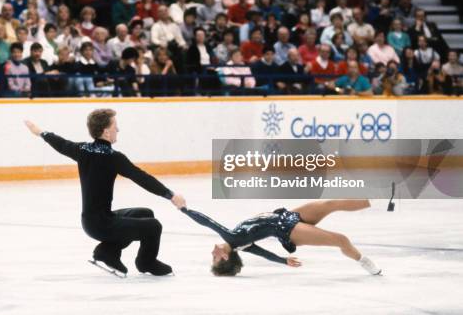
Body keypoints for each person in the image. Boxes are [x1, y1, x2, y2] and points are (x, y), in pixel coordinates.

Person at [24, 109, 186, 276]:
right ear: (107, 131)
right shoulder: (113, 157)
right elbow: (141, 177)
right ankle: (146, 262)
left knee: (145, 213)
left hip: (91, 221)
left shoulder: (82, 149)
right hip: (102, 225)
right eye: (115, 126)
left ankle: (107, 253)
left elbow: (60, 143)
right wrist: (171, 195)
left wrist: (41, 132)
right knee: (153, 226)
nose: (118, 130)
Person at [181, 199, 381, 276]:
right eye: (215, 257)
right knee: (341, 240)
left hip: (287, 215)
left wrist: (282, 260)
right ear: (224, 257)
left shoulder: (241, 245)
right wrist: (185, 210)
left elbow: (265, 254)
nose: (212, 253)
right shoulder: (232, 238)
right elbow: (207, 222)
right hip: (288, 229)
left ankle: (376, 201)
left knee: (330, 204)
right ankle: (364, 261)